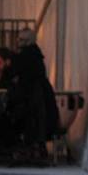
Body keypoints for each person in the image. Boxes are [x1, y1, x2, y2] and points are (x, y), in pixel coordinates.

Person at [7, 29, 59, 164]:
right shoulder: (36, 55)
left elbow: (18, 76)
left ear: (27, 41)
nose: (18, 42)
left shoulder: (25, 56)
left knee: (31, 123)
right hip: (38, 95)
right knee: (37, 123)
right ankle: (36, 150)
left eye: (20, 39)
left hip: (30, 97)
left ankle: (31, 151)